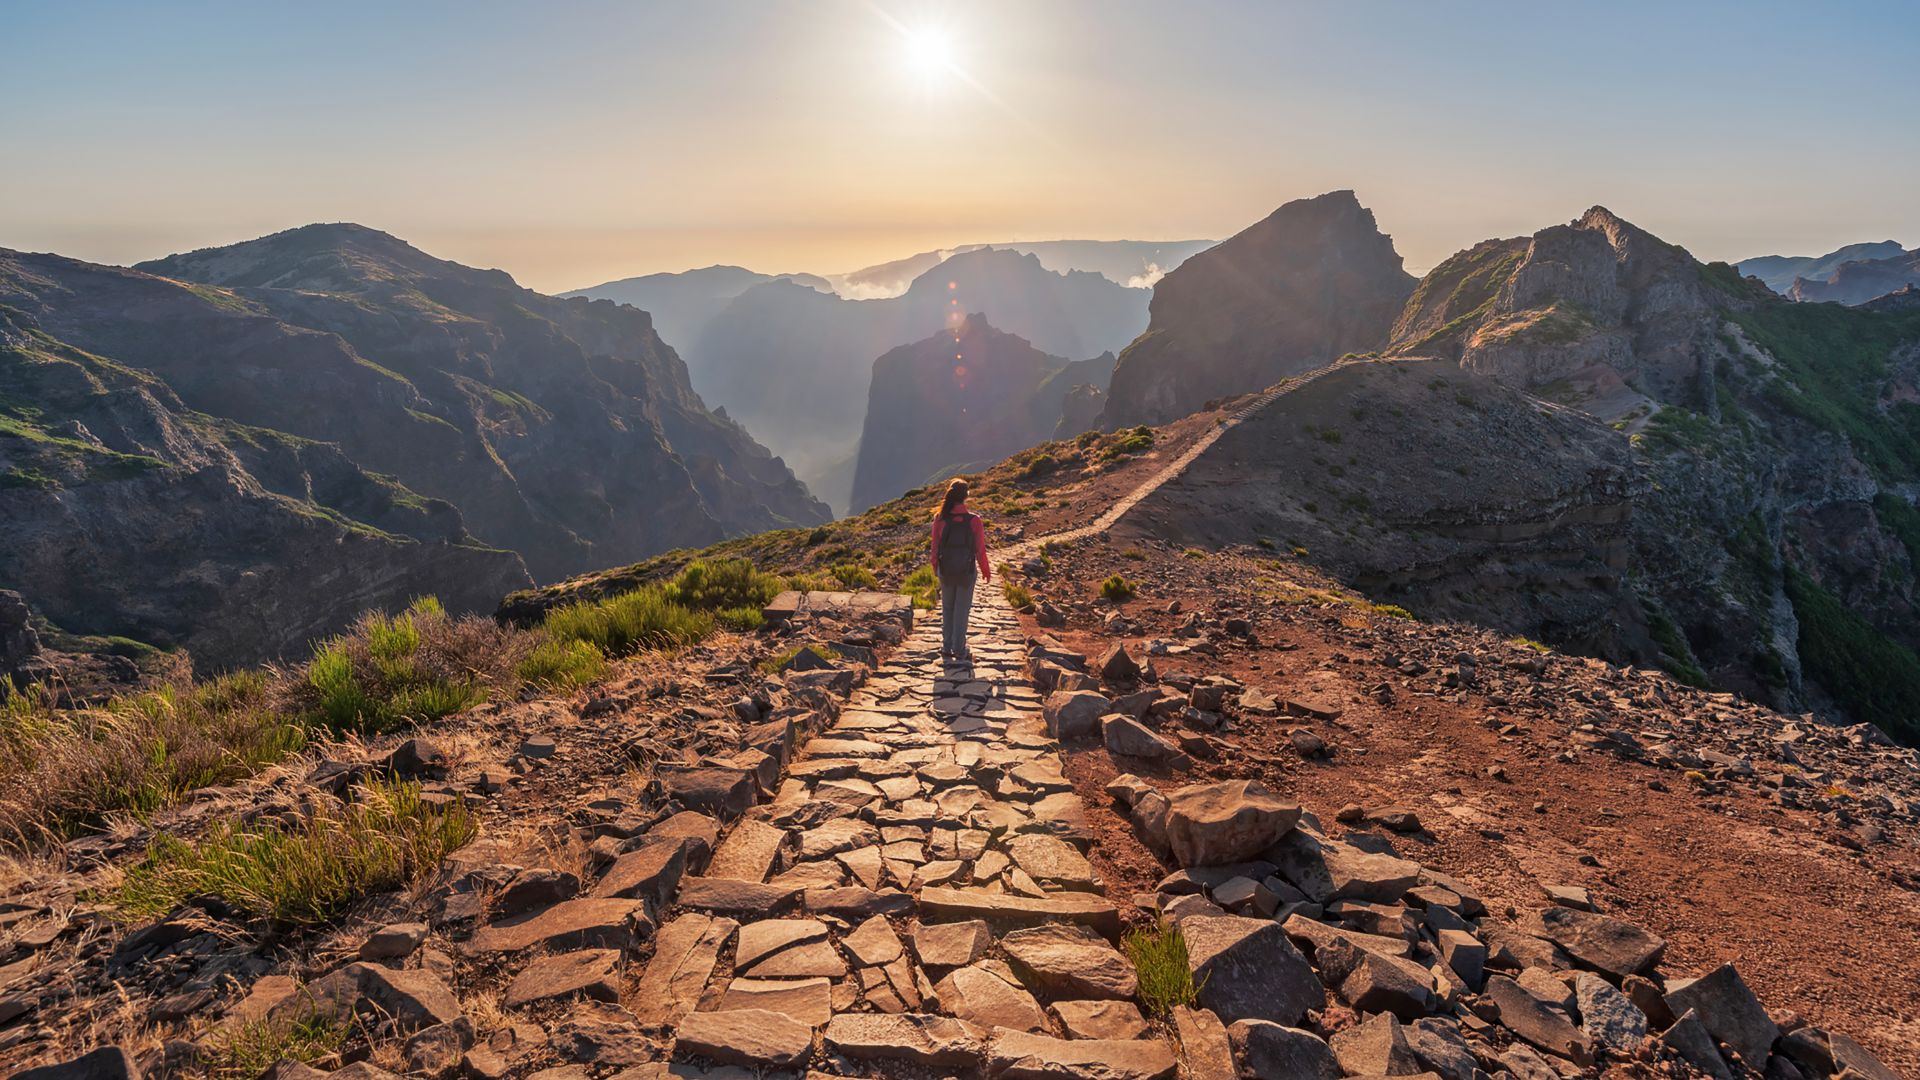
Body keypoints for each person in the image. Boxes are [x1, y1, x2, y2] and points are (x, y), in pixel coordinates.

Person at [930, 477, 990, 664]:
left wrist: (935, 568)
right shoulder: (974, 520)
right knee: (962, 609)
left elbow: (935, 547)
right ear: (966, 496)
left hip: (945, 570)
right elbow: (980, 550)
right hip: (966, 571)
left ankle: (947, 648)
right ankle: (960, 649)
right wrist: (986, 571)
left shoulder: (940, 519)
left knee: (947, 608)